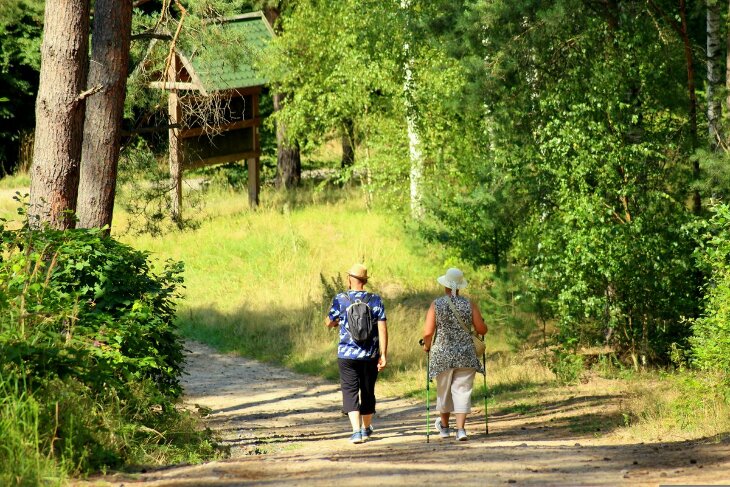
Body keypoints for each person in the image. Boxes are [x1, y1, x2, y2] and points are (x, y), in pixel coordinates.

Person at [421, 267, 487, 441]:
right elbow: (481, 329)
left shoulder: (436, 304)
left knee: (444, 391)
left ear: (445, 286)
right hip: (466, 354)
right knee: (462, 391)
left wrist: (427, 346)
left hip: (442, 354)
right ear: (460, 286)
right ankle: (461, 430)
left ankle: (444, 428)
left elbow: (427, 333)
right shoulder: (469, 304)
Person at [326, 263, 388, 444]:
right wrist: (383, 353)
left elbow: (329, 322)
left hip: (346, 355)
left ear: (350, 279)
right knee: (367, 391)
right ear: (364, 281)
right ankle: (366, 428)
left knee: (350, 390)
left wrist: (336, 322)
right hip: (370, 355)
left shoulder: (341, 299)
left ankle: (356, 432)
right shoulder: (375, 300)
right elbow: (383, 328)